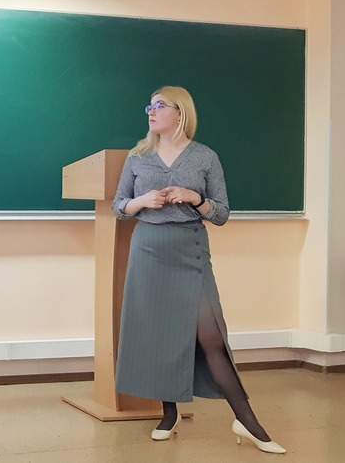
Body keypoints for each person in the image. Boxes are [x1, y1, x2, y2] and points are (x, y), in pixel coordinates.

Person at [112, 86, 284, 454]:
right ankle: (169, 414)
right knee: (160, 334)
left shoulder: (205, 157)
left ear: (180, 112)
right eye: (149, 106)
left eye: (159, 106)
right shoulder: (138, 156)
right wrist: (141, 201)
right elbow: (119, 206)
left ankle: (246, 419)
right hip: (149, 250)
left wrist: (197, 199)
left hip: (190, 249)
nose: (151, 111)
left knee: (211, 336)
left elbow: (221, 214)